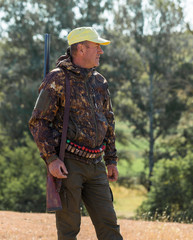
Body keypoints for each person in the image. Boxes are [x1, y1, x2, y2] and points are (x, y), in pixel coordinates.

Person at [28, 27, 123, 240]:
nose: (101, 51)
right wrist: (51, 159)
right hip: (68, 165)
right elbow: (39, 121)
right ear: (80, 48)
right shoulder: (57, 79)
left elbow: (108, 120)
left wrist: (111, 159)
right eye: (96, 47)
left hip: (96, 165)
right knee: (69, 230)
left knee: (110, 227)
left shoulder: (100, 81)